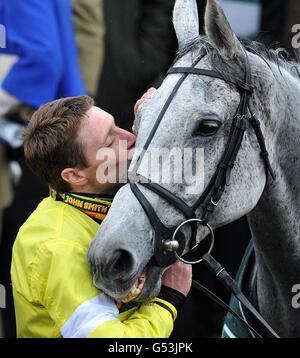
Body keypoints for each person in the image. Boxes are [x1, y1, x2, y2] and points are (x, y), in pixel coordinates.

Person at [11, 94, 192, 338]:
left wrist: (158, 107)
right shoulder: (58, 246)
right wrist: (167, 302)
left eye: (116, 125)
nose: (130, 138)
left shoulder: (97, 198)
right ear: (75, 176)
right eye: (110, 142)